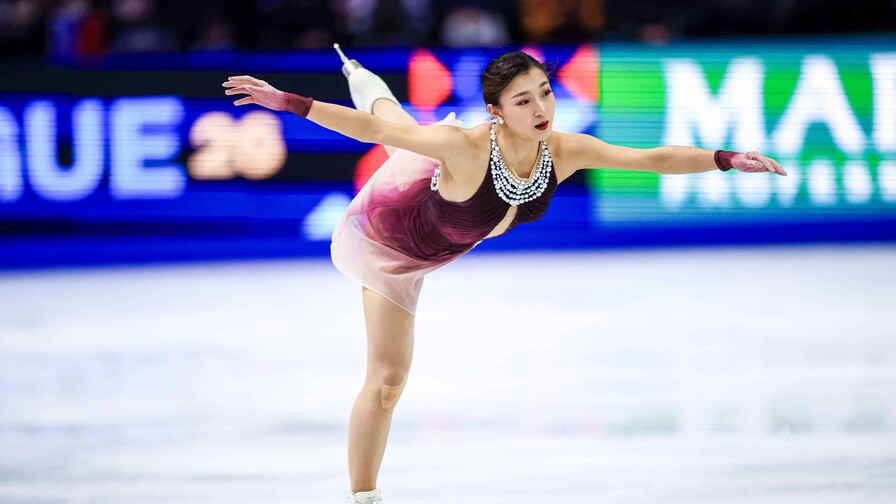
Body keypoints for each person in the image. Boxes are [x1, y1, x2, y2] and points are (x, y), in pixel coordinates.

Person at [223, 47, 786, 504]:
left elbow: (651, 160)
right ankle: (363, 499)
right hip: (392, 243)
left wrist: (728, 158)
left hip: (443, 232)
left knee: (398, 124)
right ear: (497, 111)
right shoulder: (466, 145)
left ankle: (358, 71)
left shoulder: (564, 150)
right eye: (523, 100)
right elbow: (368, 131)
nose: (542, 107)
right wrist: (288, 102)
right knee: (389, 379)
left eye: (545, 91)